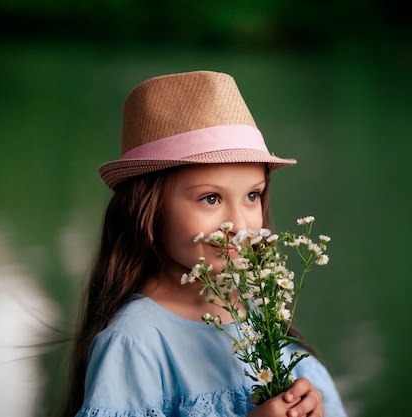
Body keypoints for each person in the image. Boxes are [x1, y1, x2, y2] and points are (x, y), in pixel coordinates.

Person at [61, 70, 347, 417]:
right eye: (211, 199)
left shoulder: (262, 317)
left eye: (252, 195)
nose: (240, 227)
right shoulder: (135, 342)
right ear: (147, 210)